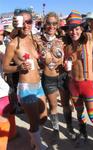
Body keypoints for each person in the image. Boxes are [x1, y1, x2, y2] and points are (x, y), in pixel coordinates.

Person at [64, 4, 93, 150]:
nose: (74, 31)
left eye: (76, 28)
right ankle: (83, 133)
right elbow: (67, 64)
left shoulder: (88, 39)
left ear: (82, 28)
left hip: (87, 84)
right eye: (71, 28)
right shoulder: (67, 47)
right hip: (73, 85)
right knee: (79, 112)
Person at [3, 9, 47, 150]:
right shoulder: (12, 44)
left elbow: (38, 61)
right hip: (26, 87)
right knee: (34, 122)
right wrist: (18, 67)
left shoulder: (32, 39)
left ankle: (34, 140)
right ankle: (37, 146)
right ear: (17, 23)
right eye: (24, 22)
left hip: (38, 84)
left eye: (29, 21)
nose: (27, 25)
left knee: (43, 117)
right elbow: (5, 68)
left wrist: (43, 57)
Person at [37, 12, 76, 139]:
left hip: (62, 77)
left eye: (54, 23)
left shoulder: (63, 40)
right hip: (48, 79)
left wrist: (67, 62)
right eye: (49, 23)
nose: (51, 26)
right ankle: (55, 129)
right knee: (53, 107)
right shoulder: (38, 39)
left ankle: (69, 127)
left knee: (65, 105)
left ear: (58, 24)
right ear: (44, 24)